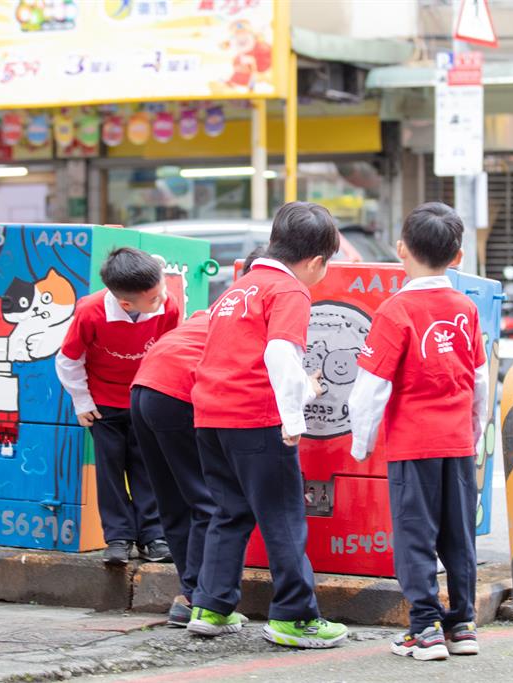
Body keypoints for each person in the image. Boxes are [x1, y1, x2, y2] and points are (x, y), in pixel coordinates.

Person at [188, 202, 348, 649]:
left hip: (210, 416)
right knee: (283, 519)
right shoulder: (290, 290)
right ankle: (295, 617)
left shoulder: (238, 289)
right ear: (316, 261)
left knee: (229, 512)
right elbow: (280, 353)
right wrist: (292, 417)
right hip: (256, 418)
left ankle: (210, 606)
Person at [347, 202, 489, 661]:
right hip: (458, 445)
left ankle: (424, 628)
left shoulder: (395, 310)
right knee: (458, 535)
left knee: (415, 536)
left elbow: (371, 387)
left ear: (401, 249)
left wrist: (360, 441)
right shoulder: (466, 307)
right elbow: (481, 380)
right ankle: (462, 624)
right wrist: (472, 431)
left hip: (412, 446)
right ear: (459, 256)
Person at [130, 248, 264, 628]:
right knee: (209, 500)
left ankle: (188, 596)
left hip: (144, 387)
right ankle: (205, 600)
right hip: (177, 393)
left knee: (173, 501)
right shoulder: (257, 311)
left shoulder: (222, 305)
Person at [55, 247, 179, 565]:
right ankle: (118, 537)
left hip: (144, 400)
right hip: (103, 405)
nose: (162, 300)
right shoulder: (90, 311)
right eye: (153, 298)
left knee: (148, 468)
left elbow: (171, 353)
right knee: (110, 469)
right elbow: (69, 359)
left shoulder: (169, 308)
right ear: (125, 303)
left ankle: (153, 536)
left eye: (162, 291)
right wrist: (82, 402)